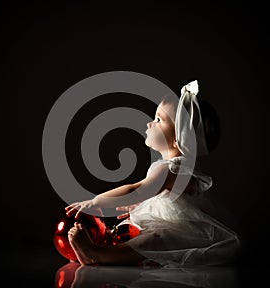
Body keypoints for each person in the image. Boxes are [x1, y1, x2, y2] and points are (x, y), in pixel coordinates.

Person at [64, 80, 240, 267]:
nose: (149, 123)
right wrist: (140, 204)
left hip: (184, 231)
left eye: (158, 120)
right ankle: (107, 245)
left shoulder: (171, 169)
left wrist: (95, 201)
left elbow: (138, 189)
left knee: (157, 238)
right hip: (167, 219)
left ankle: (99, 254)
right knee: (137, 229)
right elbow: (156, 194)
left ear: (178, 141)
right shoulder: (173, 167)